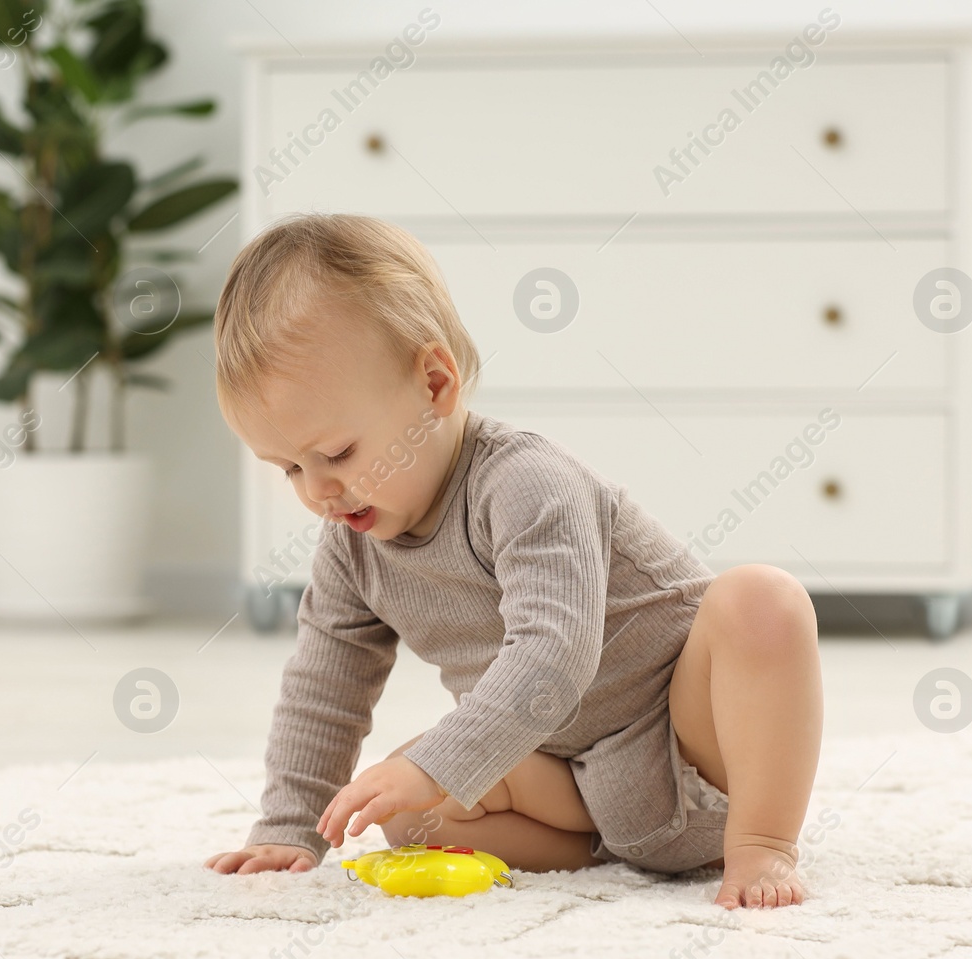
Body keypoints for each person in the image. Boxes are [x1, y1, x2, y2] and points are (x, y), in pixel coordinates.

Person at [202, 213, 823, 908]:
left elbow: (554, 654)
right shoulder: (351, 544)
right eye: (288, 468)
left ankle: (762, 844)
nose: (317, 491)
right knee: (403, 809)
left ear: (434, 385)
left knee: (761, 600)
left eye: (338, 454)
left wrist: (435, 762)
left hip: (688, 741)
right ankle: (608, 848)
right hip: (571, 784)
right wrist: (289, 826)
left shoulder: (524, 483)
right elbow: (324, 684)